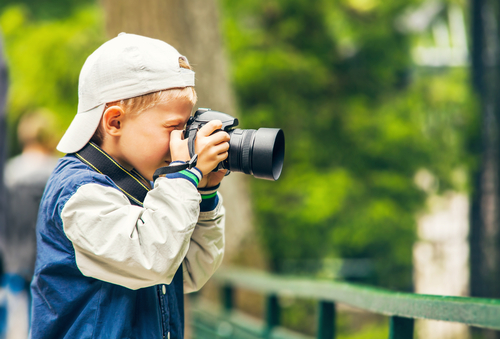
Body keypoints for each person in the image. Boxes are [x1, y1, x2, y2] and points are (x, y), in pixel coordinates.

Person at [30, 33, 229, 339]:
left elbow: (187, 272)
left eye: (187, 127)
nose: (184, 140)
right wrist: (183, 178)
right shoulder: (78, 194)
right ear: (115, 123)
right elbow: (152, 259)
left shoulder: (148, 185)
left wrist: (202, 196)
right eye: (175, 127)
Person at [3, 110, 59, 339]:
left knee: (12, 315)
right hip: (47, 255)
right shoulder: (57, 171)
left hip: (14, 256)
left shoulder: (10, 172)